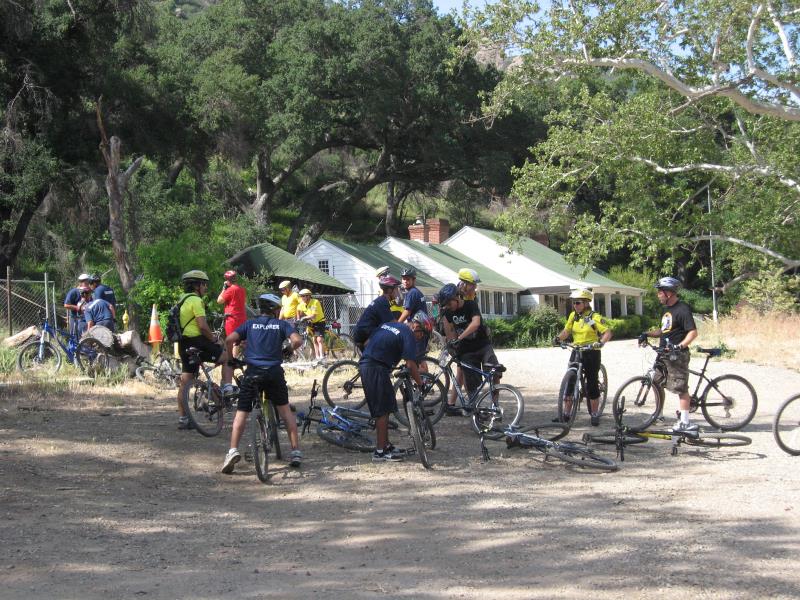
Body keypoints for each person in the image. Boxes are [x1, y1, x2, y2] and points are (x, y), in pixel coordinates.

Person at [221, 293, 304, 473]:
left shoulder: (249, 324)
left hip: (253, 372)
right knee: (285, 411)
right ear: (275, 310)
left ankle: (232, 450)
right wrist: (289, 349)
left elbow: (229, 340)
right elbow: (297, 340)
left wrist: (231, 359)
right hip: (274, 372)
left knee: (242, 412)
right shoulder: (281, 324)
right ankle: (295, 452)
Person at [359, 314, 429, 462]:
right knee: (383, 410)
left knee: (387, 406)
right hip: (376, 368)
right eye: (422, 334)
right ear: (416, 327)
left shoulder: (392, 325)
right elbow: (411, 364)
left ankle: (386, 445)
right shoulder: (408, 334)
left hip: (371, 365)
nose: (421, 338)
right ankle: (380, 452)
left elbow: (367, 343)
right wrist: (420, 383)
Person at [639, 277, 699, 431]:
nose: (658, 295)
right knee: (656, 382)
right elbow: (663, 330)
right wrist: (646, 334)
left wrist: (679, 346)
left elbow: (693, 332)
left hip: (676, 355)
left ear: (669, 293)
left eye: (660, 292)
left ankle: (685, 422)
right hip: (663, 354)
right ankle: (658, 414)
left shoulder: (682, 309)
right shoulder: (666, 310)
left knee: (680, 387)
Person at [176, 270, 231, 431]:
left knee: (185, 382)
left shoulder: (181, 299)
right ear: (197, 286)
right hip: (197, 341)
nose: (206, 287)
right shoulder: (196, 300)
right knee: (226, 357)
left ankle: (183, 419)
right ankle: (226, 388)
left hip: (183, 343)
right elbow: (202, 326)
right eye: (204, 284)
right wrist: (214, 339)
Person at [438, 283, 499, 416]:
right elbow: (450, 334)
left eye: (449, 303)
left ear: (456, 297)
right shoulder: (448, 313)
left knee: (495, 371)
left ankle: (495, 405)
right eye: (445, 305)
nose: (448, 306)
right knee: (470, 381)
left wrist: (460, 337)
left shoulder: (470, 305)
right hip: (466, 351)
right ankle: (475, 408)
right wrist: (452, 347)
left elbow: (476, 323)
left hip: (483, 345)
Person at [553, 289, 612, 426]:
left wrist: (601, 342)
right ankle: (566, 414)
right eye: (574, 303)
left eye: (578, 302)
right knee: (570, 380)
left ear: (586, 303)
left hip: (591, 351)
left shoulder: (593, 317)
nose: (575, 305)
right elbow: (566, 331)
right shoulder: (573, 316)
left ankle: (595, 413)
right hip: (576, 350)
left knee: (592, 382)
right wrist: (558, 338)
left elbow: (607, 332)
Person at [352, 275, 400, 348]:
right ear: (390, 290)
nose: (397, 292)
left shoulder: (381, 300)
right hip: (365, 335)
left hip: (362, 332)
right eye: (396, 289)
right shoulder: (383, 303)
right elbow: (393, 323)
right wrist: (406, 327)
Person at [216, 270, 247, 358]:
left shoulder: (230, 290)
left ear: (227, 280)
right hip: (242, 317)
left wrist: (224, 288)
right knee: (240, 340)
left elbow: (219, 301)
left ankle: (232, 360)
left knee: (232, 340)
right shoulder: (242, 289)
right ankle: (239, 358)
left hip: (232, 318)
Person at [296, 288, 326, 359]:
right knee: (314, 340)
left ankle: (322, 357)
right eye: (301, 296)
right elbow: (298, 309)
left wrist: (304, 318)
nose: (302, 298)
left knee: (319, 340)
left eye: (303, 296)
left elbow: (313, 315)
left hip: (319, 321)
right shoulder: (302, 304)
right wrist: (298, 318)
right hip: (311, 322)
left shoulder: (314, 302)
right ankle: (317, 357)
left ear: (308, 296)